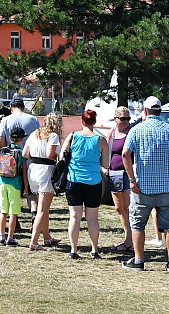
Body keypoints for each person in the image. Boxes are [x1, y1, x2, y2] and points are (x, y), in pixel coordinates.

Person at [122, 96, 169, 272]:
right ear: (160, 111)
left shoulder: (137, 130)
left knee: (137, 225)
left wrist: (131, 179)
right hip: (166, 188)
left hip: (142, 187)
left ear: (145, 111)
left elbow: (125, 154)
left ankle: (138, 260)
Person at [60, 110, 109, 259]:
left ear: (82, 121)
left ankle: (73, 250)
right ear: (94, 122)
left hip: (74, 180)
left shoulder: (73, 136)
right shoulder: (101, 140)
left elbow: (62, 156)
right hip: (93, 182)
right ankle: (94, 249)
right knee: (92, 218)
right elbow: (105, 164)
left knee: (74, 217)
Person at [23, 112, 63, 251]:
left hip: (33, 169)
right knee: (42, 209)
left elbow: (25, 154)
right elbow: (50, 154)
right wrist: (59, 154)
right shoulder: (53, 136)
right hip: (45, 171)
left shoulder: (34, 134)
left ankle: (47, 237)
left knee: (43, 207)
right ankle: (34, 242)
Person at [0, 98, 40, 228]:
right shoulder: (33, 119)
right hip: (30, 159)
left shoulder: (5, 120)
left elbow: (0, 142)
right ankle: (34, 213)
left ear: (11, 108)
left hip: (10, 162)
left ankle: (14, 223)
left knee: (10, 194)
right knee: (31, 192)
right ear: (23, 107)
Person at [107, 106, 133, 252]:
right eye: (122, 118)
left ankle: (130, 240)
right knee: (118, 207)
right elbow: (106, 150)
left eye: (128, 118)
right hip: (113, 173)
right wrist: (105, 167)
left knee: (127, 207)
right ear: (115, 119)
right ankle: (128, 237)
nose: (125, 121)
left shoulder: (131, 132)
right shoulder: (112, 132)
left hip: (127, 173)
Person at [0, 127, 28, 247]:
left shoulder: (2, 150)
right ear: (21, 140)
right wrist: (26, 188)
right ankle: (10, 237)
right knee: (13, 212)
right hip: (14, 184)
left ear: (9, 138)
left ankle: (1, 236)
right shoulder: (20, 153)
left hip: (2, 182)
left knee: (3, 211)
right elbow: (24, 172)